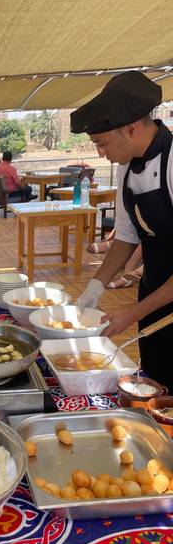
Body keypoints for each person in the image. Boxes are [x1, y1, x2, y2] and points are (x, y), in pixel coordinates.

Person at [73, 70, 173, 392]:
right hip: (153, 288)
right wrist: (95, 286)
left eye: (101, 143)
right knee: (156, 380)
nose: (100, 152)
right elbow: (127, 236)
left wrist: (130, 314)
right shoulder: (126, 167)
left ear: (130, 128)